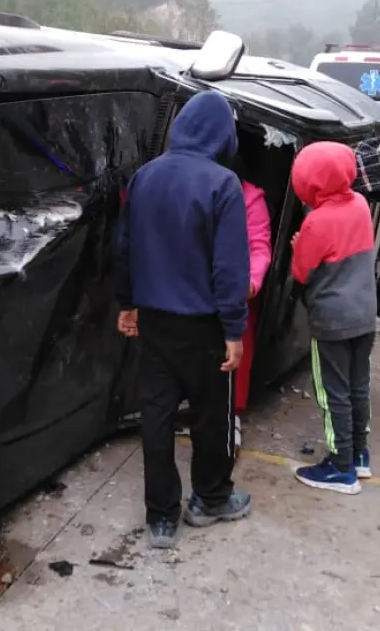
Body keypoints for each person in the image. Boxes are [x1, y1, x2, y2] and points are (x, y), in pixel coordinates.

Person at [113, 90, 252, 549]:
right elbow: (230, 267)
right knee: (211, 416)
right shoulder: (223, 184)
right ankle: (210, 500)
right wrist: (234, 329)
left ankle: (160, 519)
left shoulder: (145, 177)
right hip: (205, 327)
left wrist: (127, 302)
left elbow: (123, 247)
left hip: (154, 320)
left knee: (156, 416)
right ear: (221, 135)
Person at [289, 141, 377, 494]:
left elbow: (301, 273)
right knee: (358, 385)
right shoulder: (360, 204)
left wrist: (298, 246)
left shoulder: (316, 221)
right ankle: (358, 454)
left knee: (332, 392)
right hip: (364, 315)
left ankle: (341, 469)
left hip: (332, 321)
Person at [226, 153, 273, 457]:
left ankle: (231, 418)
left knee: (235, 359)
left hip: (235, 293)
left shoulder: (250, 198)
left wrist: (251, 282)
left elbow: (259, 246)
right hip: (192, 290)